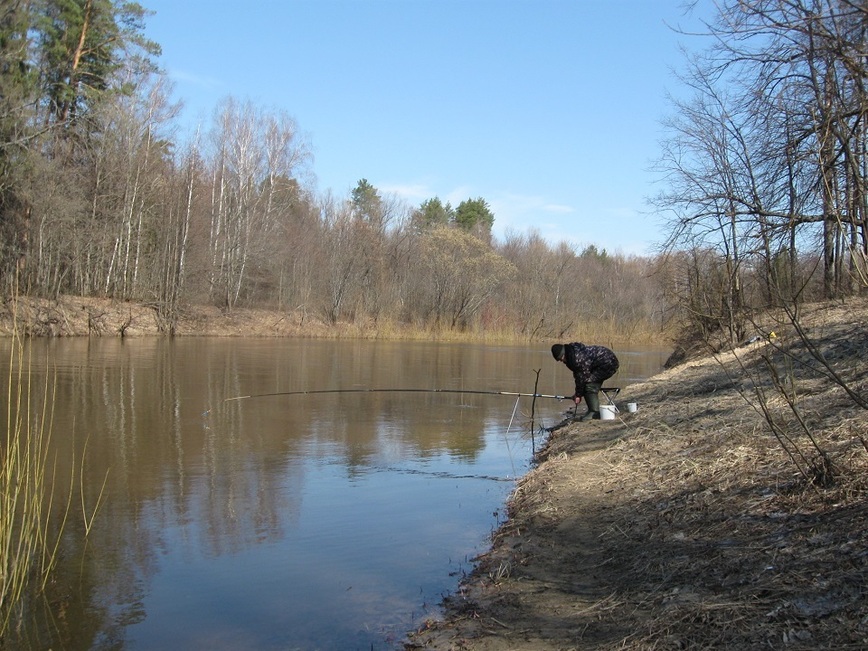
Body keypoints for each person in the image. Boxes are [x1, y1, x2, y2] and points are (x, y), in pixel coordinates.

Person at [551, 342, 620, 421]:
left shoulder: (577, 358)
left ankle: (594, 413)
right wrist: (578, 393)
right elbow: (578, 376)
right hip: (600, 363)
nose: (561, 361)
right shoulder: (572, 353)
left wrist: (578, 395)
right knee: (586, 384)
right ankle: (591, 410)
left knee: (590, 386)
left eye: (561, 359)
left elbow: (583, 377)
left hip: (609, 364)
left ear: (563, 355)